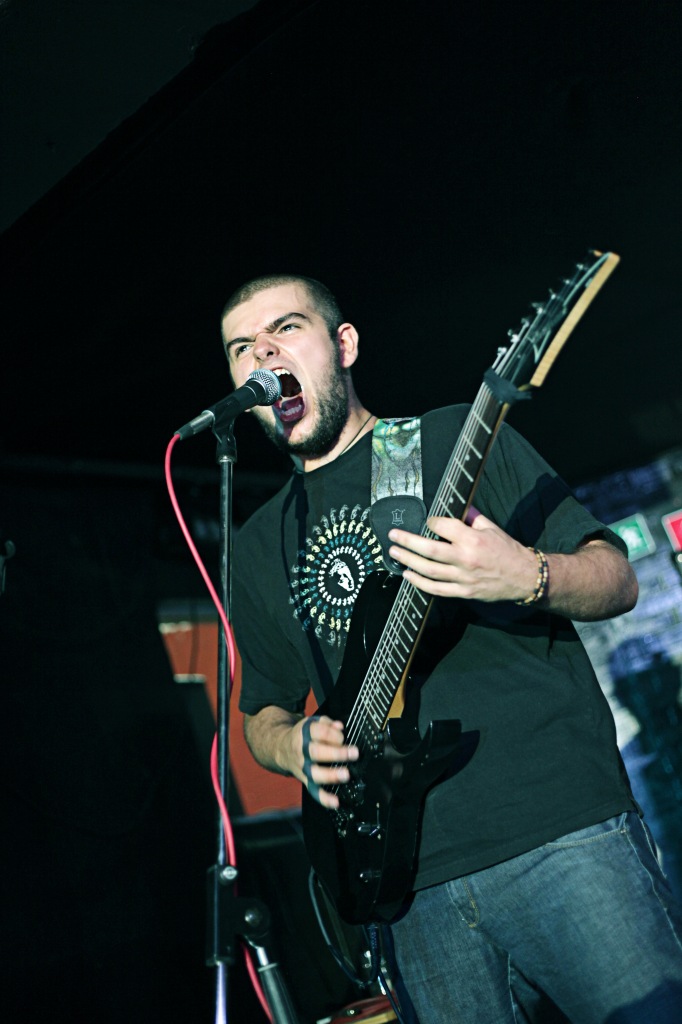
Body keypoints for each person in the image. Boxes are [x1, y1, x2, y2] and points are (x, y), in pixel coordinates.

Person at [223, 273, 682, 1023]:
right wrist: (294, 745)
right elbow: (260, 716)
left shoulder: (447, 440)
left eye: (286, 329)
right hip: (404, 891)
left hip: (558, 836)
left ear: (344, 345)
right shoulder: (258, 543)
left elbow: (617, 579)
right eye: (243, 347)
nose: (262, 354)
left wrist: (525, 575)